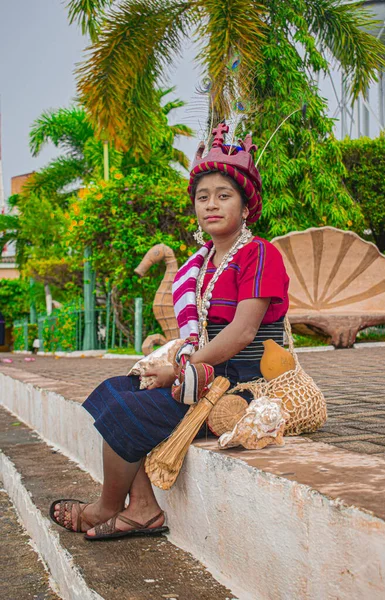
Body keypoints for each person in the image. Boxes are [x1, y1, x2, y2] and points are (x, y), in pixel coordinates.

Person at [50, 123, 289, 541]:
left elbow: (243, 331)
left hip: (243, 388)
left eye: (223, 195)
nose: (210, 205)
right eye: (202, 197)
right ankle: (141, 507)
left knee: (129, 410)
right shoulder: (202, 265)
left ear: (246, 206)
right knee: (114, 390)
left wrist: (180, 372)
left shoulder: (259, 254)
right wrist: (179, 369)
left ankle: (107, 507)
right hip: (203, 376)